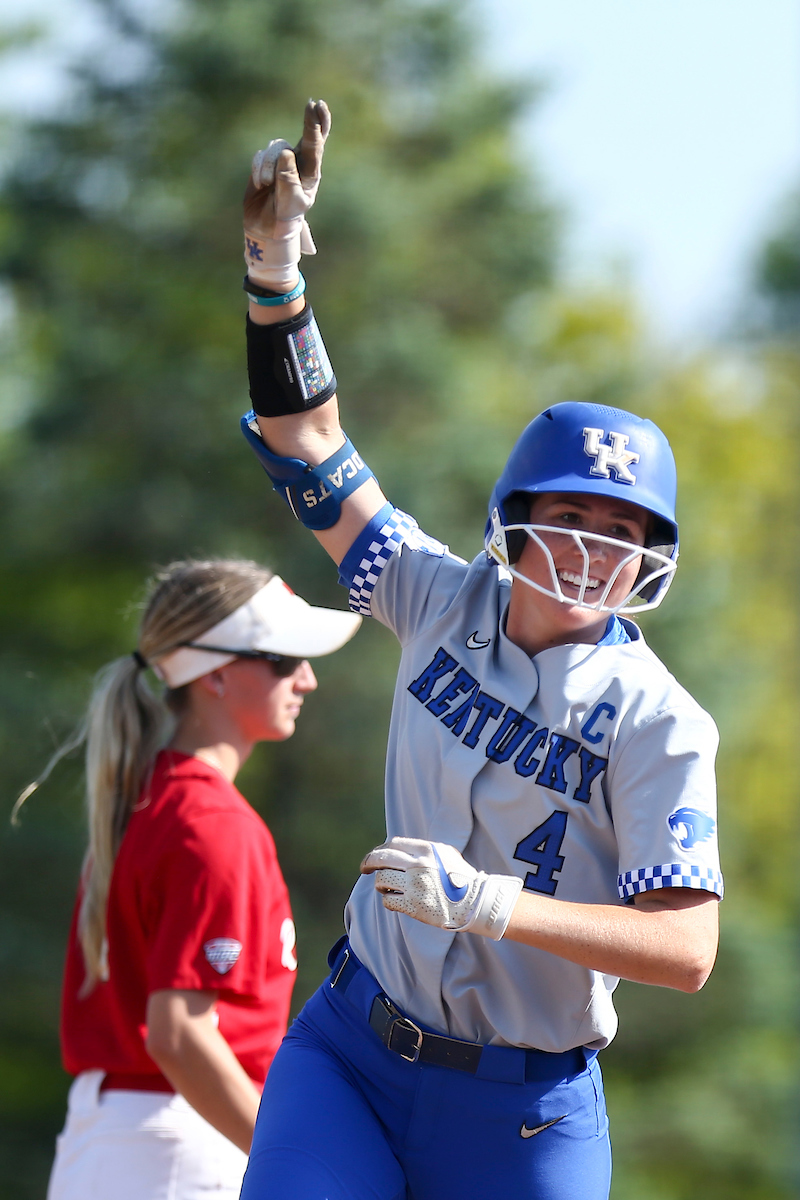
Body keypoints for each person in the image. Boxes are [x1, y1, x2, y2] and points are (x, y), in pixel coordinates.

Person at [236, 103, 723, 1200]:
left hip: (523, 1110)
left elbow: (685, 948)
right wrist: (273, 272)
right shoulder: (435, 593)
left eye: (623, 532)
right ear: (513, 517)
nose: (596, 549)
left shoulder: (657, 719)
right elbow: (305, 439)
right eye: (574, 517)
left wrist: (490, 906)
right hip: (353, 1054)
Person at [37, 558, 361, 1200]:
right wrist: (299, 1164)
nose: (307, 678)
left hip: (115, 1142)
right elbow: (180, 1034)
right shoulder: (213, 823)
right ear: (215, 674)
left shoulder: (150, 798)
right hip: (179, 1146)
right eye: (282, 659)